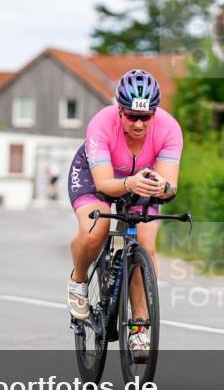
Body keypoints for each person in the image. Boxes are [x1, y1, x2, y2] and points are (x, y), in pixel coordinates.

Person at [66, 69, 182, 358]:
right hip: (97, 177)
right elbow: (105, 183)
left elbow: (169, 185)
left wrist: (164, 187)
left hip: (142, 180)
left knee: (146, 246)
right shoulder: (101, 124)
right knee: (95, 231)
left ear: (155, 113)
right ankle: (79, 281)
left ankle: (139, 328)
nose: (139, 124)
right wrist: (127, 183)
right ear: (120, 110)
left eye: (146, 116)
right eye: (132, 116)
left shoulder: (169, 128)